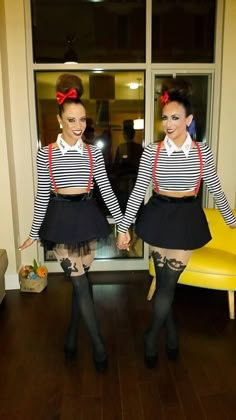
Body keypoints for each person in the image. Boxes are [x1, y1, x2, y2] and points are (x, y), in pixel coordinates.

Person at [116, 79, 236, 369]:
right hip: (158, 215)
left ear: (189, 120)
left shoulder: (201, 151)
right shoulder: (152, 151)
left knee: (167, 285)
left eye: (175, 118)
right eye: (165, 117)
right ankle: (169, 334)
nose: (169, 124)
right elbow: (138, 191)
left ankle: (151, 335)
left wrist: (231, 221)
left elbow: (216, 187)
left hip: (185, 219)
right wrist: (123, 227)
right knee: (165, 284)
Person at [19, 73, 129, 372]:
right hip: (60, 223)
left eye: (82, 119)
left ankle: (70, 338)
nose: (78, 126)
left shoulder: (93, 152)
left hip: (87, 221)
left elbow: (105, 189)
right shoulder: (47, 154)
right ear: (59, 120)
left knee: (81, 284)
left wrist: (122, 224)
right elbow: (43, 195)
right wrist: (33, 231)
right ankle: (98, 346)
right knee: (81, 285)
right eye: (71, 120)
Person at [113, 120, 143, 212]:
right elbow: (116, 166)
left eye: (129, 131)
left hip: (134, 184)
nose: (127, 134)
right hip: (124, 185)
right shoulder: (122, 147)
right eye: (126, 131)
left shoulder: (138, 148)